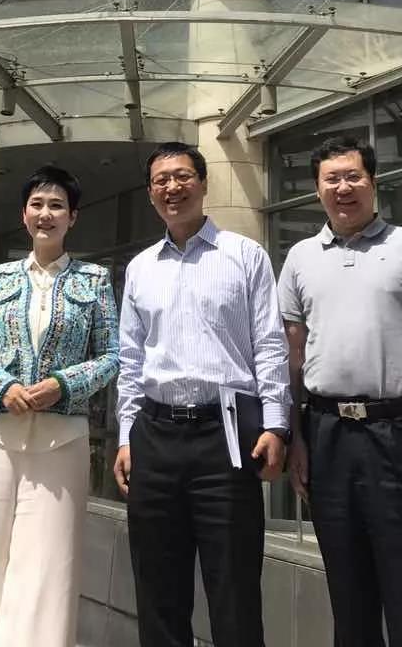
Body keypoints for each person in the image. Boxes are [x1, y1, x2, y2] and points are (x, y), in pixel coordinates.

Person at [278, 136, 402, 647]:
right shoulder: (299, 258)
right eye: (331, 179)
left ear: (373, 182)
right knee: (349, 594)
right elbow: (291, 355)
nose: (343, 187)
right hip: (327, 436)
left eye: (353, 176)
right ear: (317, 190)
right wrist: (295, 436)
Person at [113, 142, 290, 647]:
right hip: (155, 436)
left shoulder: (245, 256)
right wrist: (125, 436)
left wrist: (276, 424)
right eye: (161, 180)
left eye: (182, 176)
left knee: (234, 587)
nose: (172, 187)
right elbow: (131, 360)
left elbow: (270, 345)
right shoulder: (141, 267)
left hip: (226, 437)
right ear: (151, 193)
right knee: (158, 589)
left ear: (204, 183)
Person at [0, 165, 119, 647]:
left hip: (61, 440)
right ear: (24, 215)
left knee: (48, 565)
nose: (46, 214)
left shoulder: (94, 280)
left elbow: (112, 354)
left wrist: (63, 385)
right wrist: (3, 386)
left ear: (73, 217)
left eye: (57, 206)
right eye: (37, 205)